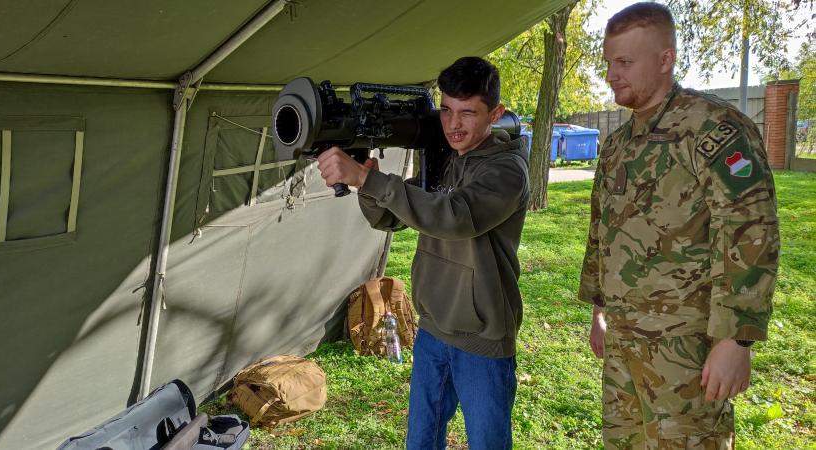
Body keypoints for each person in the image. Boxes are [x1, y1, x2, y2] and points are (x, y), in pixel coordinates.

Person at [578, 3, 780, 449]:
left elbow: (750, 231)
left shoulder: (715, 129)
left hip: (687, 346)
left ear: (665, 59)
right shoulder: (618, 143)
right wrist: (599, 309)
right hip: (625, 339)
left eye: (625, 62)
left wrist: (737, 340)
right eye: (609, 62)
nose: (612, 74)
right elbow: (603, 231)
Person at [316, 56, 529, 449]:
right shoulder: (449, 161)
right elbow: (396, 215)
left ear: (495, 113)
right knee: (421, 440)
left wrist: (369, 179)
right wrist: (367, 183)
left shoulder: (506, 170)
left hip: (482, 337)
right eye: (446, 110)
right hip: (433, 329)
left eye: (468, 113)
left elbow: (452, 216)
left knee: (488, 443)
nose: (453, 124)